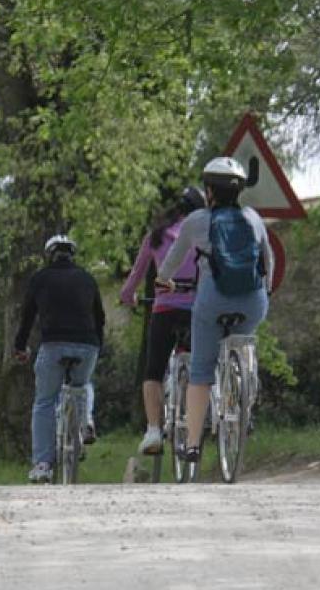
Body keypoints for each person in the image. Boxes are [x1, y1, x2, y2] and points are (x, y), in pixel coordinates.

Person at [157, 157, 273, 462]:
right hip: (253, 300)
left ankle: (193, 444)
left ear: (209, 190)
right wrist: (266, 289)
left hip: (212, 298)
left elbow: (171, 260)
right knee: (243, 336)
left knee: (201, 371)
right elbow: (268, 262)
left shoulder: (196, 220)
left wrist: (163, 280)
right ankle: (245, 386)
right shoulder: (253, 218)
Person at [120, 186, 207, 454]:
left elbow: (136, 274)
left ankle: (154, 431)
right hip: (195, 308)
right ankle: (198, 424)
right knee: (199, 369)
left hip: (164, 309)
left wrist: (128, 297)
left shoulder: (155, 236)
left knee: (154, 370)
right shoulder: (203, 234)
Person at [13, 234, 105, 483]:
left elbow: (27, 318)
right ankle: (85, 420)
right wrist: (98, 346)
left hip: (53, 345)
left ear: (49, 255)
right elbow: (100, 317)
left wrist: (19, 347)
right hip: (87, 345)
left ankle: (42, 464)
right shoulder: (87, 278)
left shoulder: (40, 278)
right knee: (83, 384)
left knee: (44, 402)